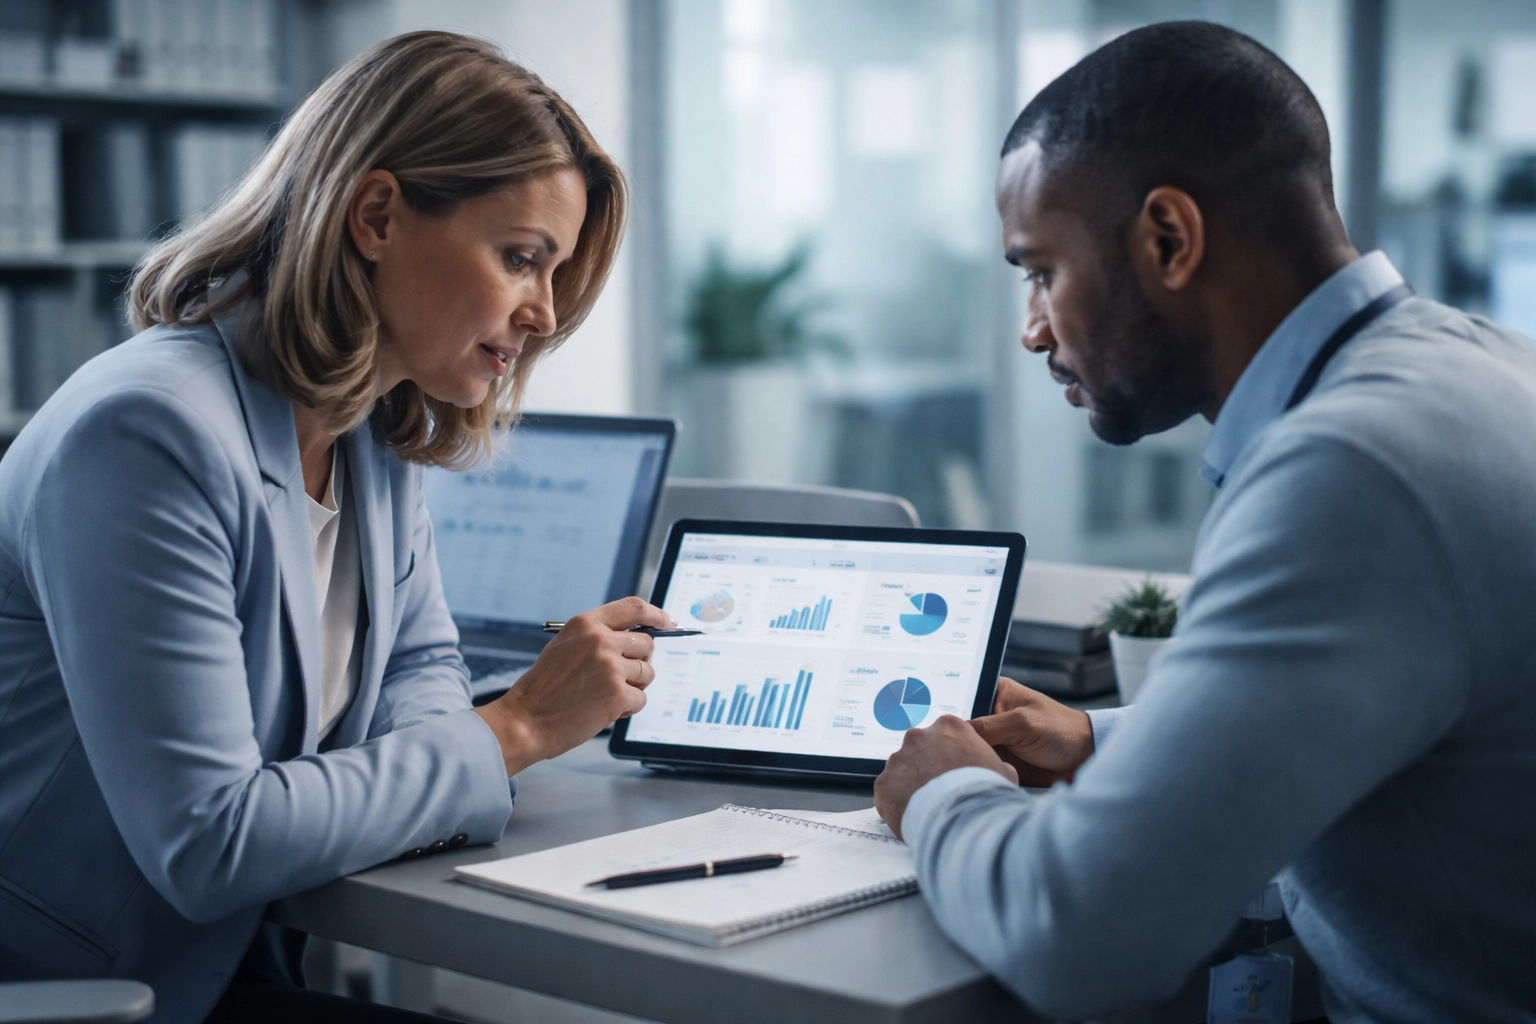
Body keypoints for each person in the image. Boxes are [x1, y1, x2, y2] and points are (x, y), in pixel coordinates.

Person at [0, 32, 673, 1023]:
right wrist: (516, 729)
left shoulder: (369, 425)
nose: (544, 311)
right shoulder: (146, 435)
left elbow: (421, 664)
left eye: (555, 270)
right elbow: (211, 840)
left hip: (229, 959)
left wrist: (446, 753)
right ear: (376, 215)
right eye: (521, 258)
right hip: (92, 988)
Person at [873, 20, 1536, 1023]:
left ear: (1168, 240)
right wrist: (1107, 740)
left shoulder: (1351, 467)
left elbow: (1081, 937)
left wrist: (947, 793)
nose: (1033, 328)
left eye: (1042, 270)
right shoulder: (1480, 366)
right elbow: (1403, 705)